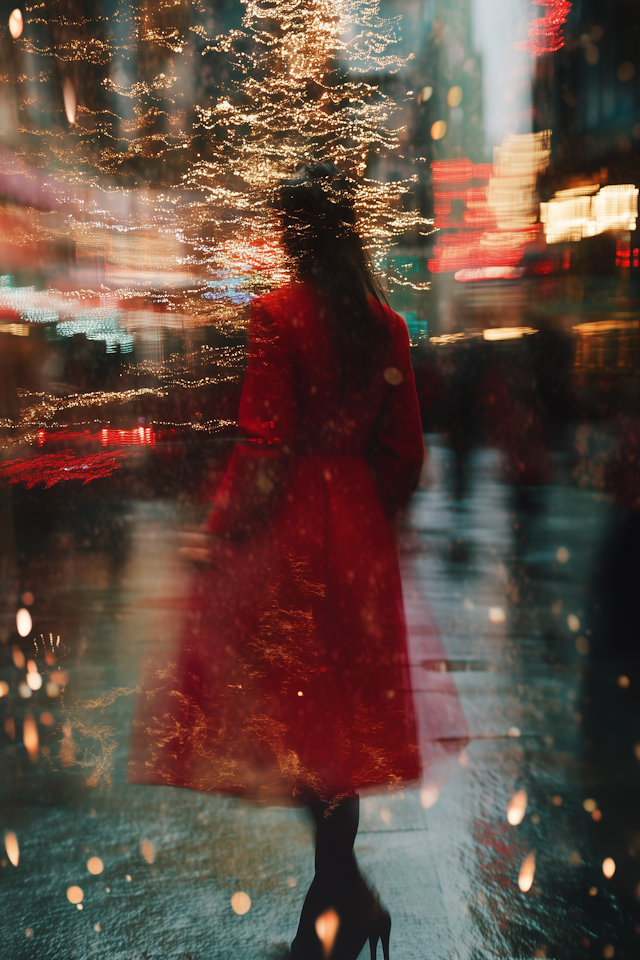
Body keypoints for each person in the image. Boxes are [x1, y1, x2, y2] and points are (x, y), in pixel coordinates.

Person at [129, 162, 426, 960]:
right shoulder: (384, 325)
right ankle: (338, 913)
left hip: (293, 535)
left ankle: (339, 914)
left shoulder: (277, 316)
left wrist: (224, 532)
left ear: (296, 233)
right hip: (357, 534)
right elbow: (405, 453)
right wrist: (367, 512)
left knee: (292, 719)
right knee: (337, 736)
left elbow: (264, 446)